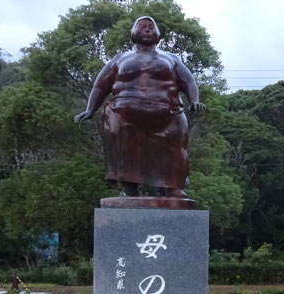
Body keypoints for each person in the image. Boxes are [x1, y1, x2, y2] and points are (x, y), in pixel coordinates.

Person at [75, 16, 205, 197]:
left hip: (167, 113)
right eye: (142, 26)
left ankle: (173, 187)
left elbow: (189, 82)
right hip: (124, 113)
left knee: (175, 143)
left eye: (152, 26)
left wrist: (194, 100)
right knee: (123, 140)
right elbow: (100, 86)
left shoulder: (171, 58)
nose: (147, 29)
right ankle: (130, 188)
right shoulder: (120, 59)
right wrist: (90, 109)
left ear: (159, 35)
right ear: (133, 33)